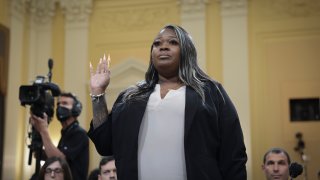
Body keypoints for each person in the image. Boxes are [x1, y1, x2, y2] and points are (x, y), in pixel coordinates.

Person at [87, 24, 247, 180]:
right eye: (157, 43)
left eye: (173, 42)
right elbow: (104, 144)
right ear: (151, 54)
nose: (163, 47)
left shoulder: (211, 92)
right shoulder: (130, 97)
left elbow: (233, 153)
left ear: (187, 51)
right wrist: (98, 93)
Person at [30, 92, 89, 180]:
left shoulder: (79, 133)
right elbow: (52, 155)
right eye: (58, 104)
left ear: (76, 109)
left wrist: (43, 131)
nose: (60, 107)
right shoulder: (65, 132)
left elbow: (58, 160)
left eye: (65, 103)